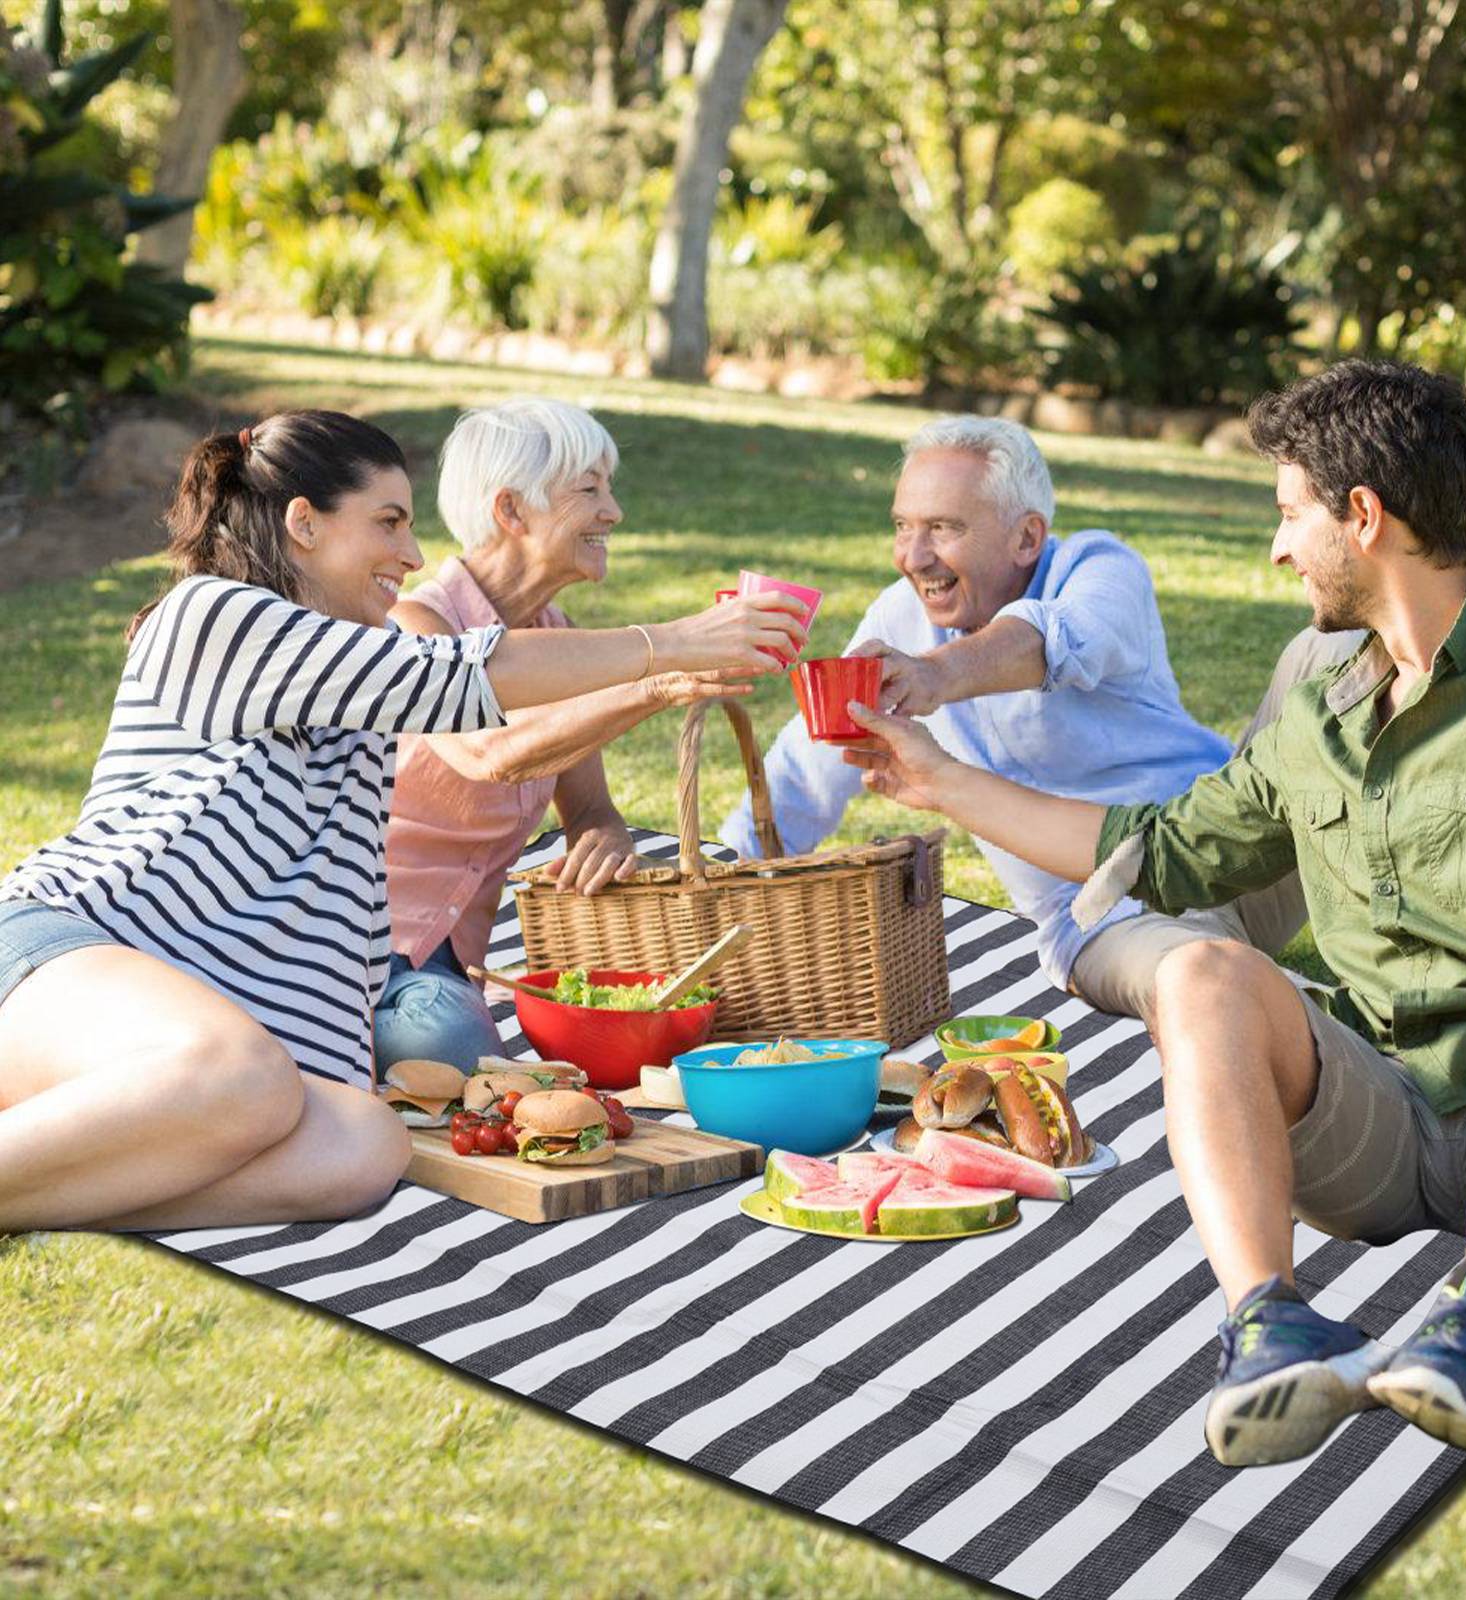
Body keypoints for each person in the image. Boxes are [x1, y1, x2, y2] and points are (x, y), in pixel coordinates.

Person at [842, 361, 1466, 1470]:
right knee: (1196, 973)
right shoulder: (1323, 703)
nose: (1277, 546)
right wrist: (932, 780)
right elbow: (1154, 851)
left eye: (1290, 514)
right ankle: (1270, 1325)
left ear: (1363, 516)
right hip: (1382, 1122)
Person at [0, 410, 806, 1234]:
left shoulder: (357, 720)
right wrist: (671, 644)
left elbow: (342, 951)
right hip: (62, 959)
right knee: (248, 1076)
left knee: (362, 1143)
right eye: (388, 522)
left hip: (194, 1048)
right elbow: (458, 679)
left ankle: (52, 1178)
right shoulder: (212, 616)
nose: (414, 555)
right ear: (304, 523)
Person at [719, 414, 1355, 1014]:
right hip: (1109, 916)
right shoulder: (898, 617)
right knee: (1214, 991)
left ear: (1027, 537)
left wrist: (936, 674)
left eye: (943, 528)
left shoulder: (1102, 571)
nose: (913, 556)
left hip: (1239, 845)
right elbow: (806, 768)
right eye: (902, 527)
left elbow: (1053, 639)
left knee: (1336, 646)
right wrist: (728, 876)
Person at [376, 398, 752, 1073]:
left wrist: (601, 833)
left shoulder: (557, 633)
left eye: (609, 488)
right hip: (366, 945)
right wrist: (660, 678)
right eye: (589, 489)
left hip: (454, 959)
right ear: (511, 511)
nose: (614, 512)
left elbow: (588, 807)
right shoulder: (415, 626)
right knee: (454, 1058)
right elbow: (489, 751)